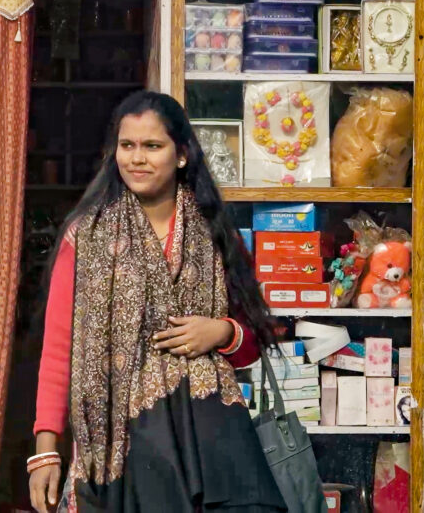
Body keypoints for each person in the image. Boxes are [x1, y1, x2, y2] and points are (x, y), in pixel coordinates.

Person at [28, 91, 286, 513]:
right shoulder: (87, 238)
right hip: (123, 444)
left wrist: (220, 331)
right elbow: (59, 351)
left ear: (181, 155)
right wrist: (46, 449)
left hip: (210, 442)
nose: (137, 159)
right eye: (126, 146)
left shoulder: (215, 233)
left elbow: (255, 338)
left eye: (152, 146)